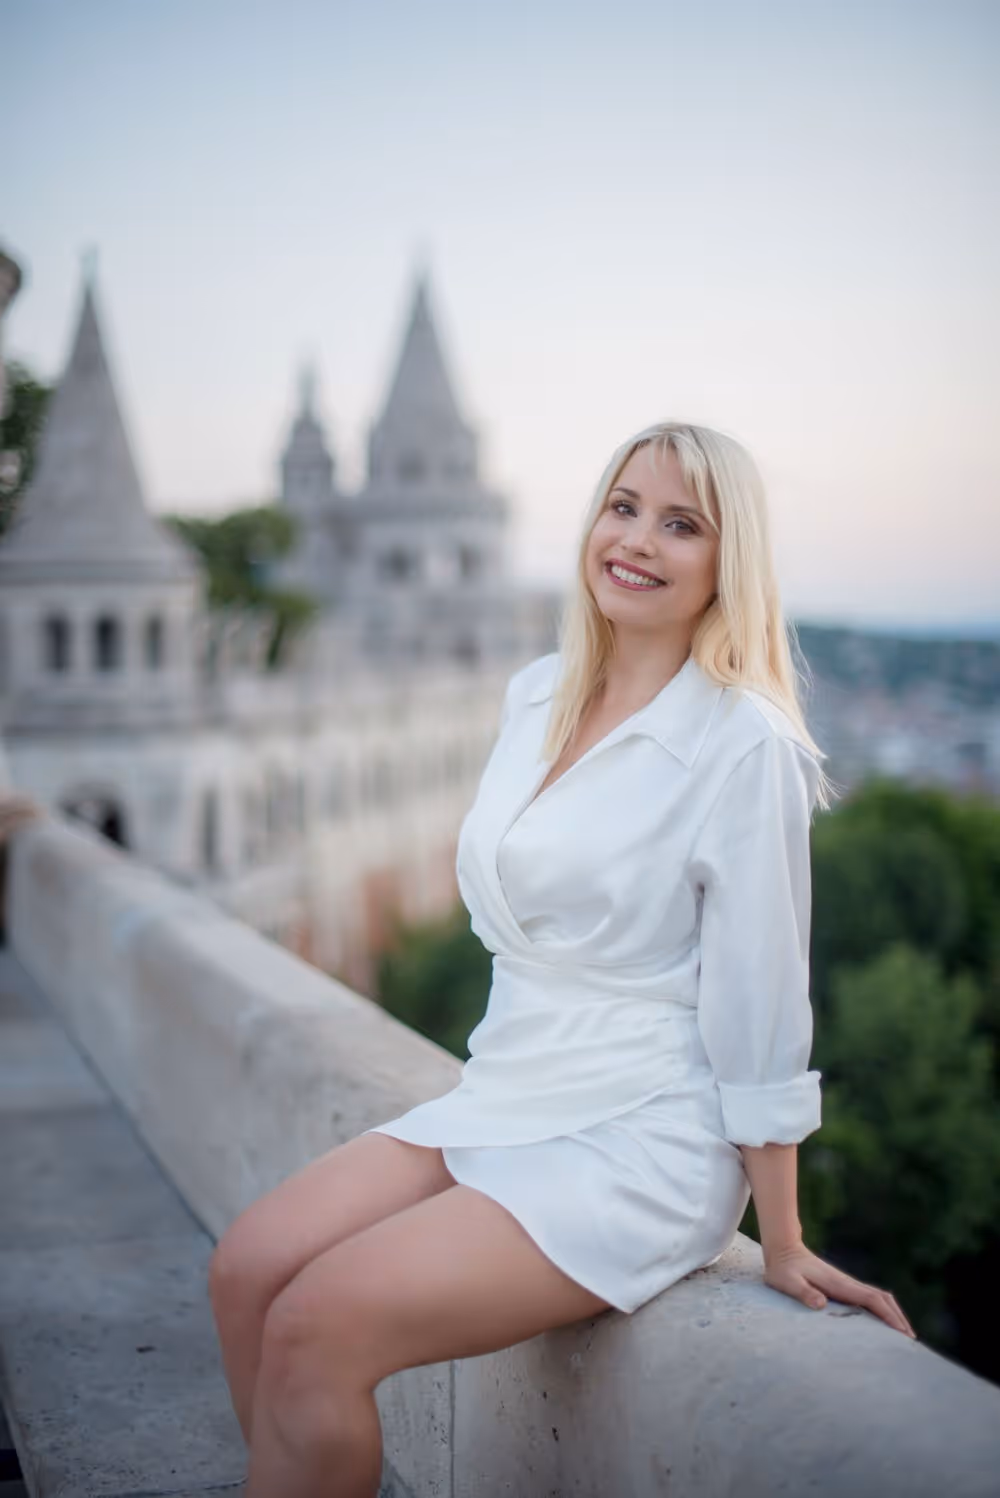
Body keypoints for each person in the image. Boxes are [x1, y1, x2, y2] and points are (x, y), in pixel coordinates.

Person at [209, 421, 917, 1497]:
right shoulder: (537, 692)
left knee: (317, 1325)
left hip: (642, 1133)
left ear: (729, 564)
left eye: (681, 523)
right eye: (622, 505)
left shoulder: (746, 743)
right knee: (247, 1268)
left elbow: (761, 1003)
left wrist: (780, 1236)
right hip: (510, 1087)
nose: (635, 539)